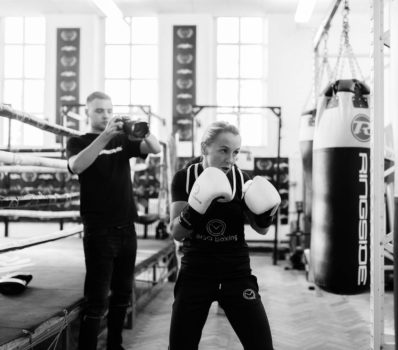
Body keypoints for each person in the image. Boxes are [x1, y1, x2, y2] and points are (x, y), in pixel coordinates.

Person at [169, 121, 280, 350]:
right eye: (223, 150)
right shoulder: (185, 178)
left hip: (236, 272)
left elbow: (262, 230)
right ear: (204, 148)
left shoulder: (243, 179)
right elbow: (177, 232)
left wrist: (267, 214)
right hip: (196, 272)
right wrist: (197, 204)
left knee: (262, 346)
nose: (230, 159)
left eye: (236, 152)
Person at [66, 91, 161, 350]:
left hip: (127, 227)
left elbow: (155, 148)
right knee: (96, 299)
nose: (106, 115)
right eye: (99, 110)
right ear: (87, 112)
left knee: (121, 295)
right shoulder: (78, 141)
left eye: (109, 110)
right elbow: (76, 166)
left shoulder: (123, 140)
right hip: (99, 230)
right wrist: (104, 136)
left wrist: (143, 131)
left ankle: (114, 345)